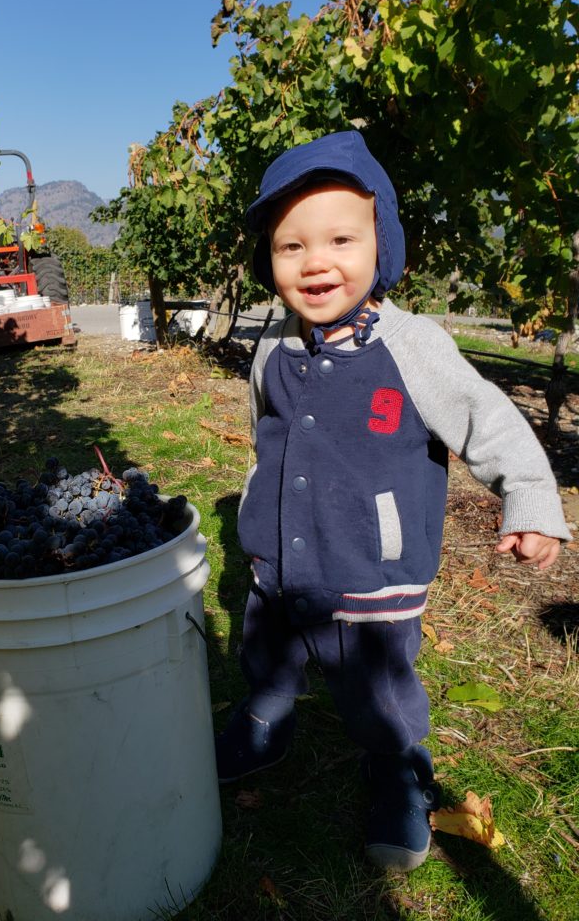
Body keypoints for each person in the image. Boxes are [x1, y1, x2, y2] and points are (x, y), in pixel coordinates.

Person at [215, 130, 571, 872]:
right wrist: (260, 501)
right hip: (279, 561)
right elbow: (263, 430)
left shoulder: (412, 345)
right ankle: (265, 720)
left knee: (377, 693)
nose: (316, 262)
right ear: (267, 260)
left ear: (384, 245)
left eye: (341, 238)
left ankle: (398, 773)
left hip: (373, 575)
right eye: (291, 247)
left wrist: (531, 501)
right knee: (268, 653)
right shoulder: (272, 348)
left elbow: (488, 419)